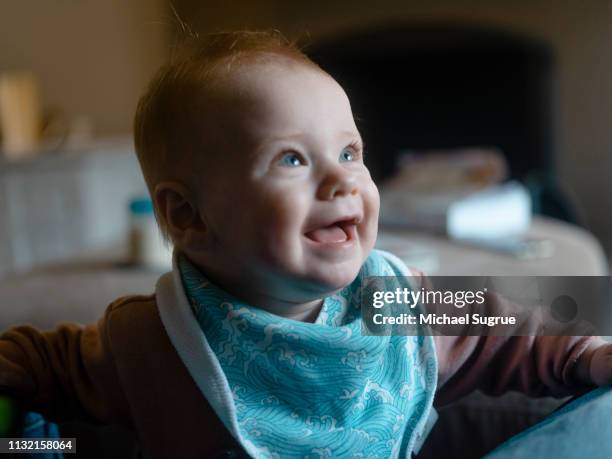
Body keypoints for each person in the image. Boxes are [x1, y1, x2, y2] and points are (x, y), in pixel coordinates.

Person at [1, 30, 611, 459]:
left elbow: (512, 327)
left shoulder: (394, 300)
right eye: (292, 158)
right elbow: (47, 364)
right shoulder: (154, 340)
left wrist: (586, 354)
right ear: (188, 215)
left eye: (349, 152)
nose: (342, 178)